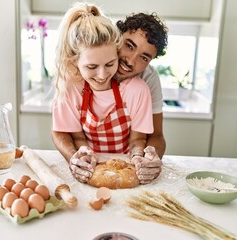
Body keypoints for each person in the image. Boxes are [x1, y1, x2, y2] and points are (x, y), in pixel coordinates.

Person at [52, 5, 169, 184]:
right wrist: (74, 158)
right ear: (117, 38)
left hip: (124, 163)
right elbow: (66, 133)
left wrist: (147, 160)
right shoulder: (74, 79)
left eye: (144, 57)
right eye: (129, 46)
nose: (130, 61)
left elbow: (152, 136)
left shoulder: (144, 84)